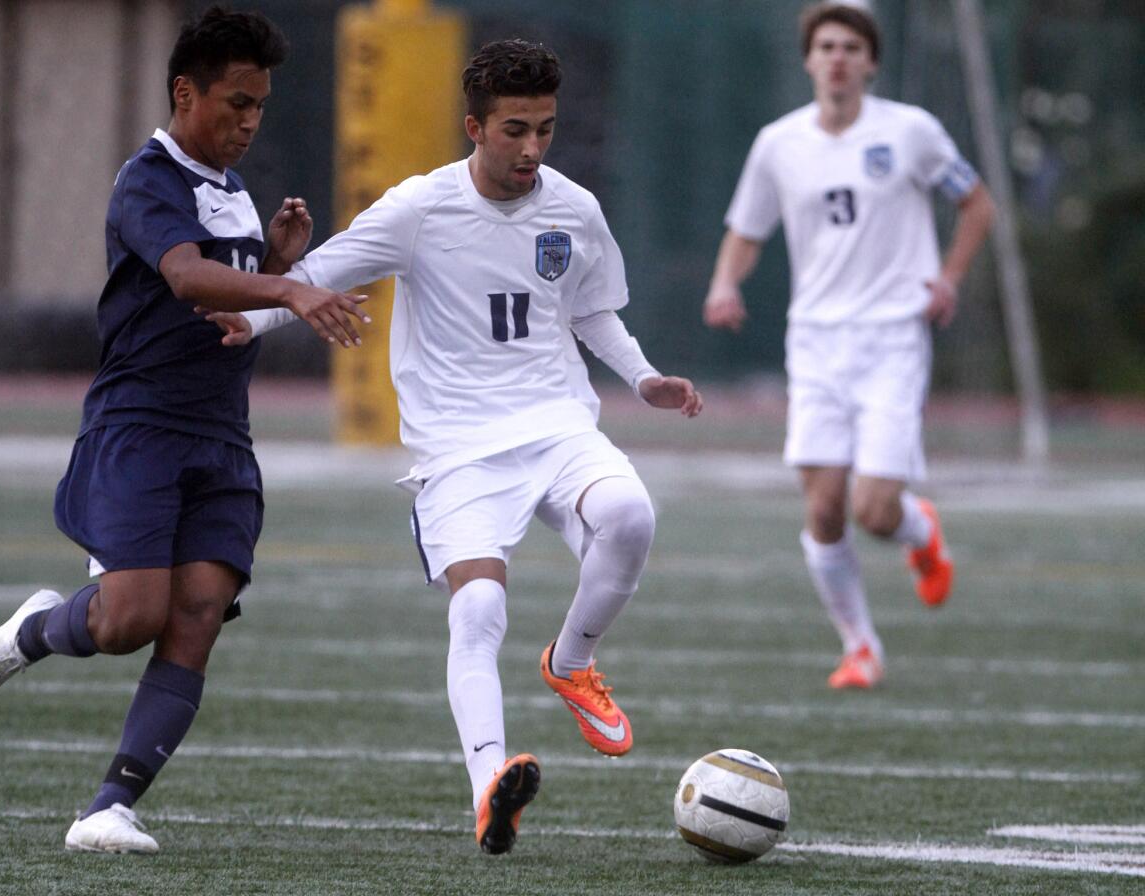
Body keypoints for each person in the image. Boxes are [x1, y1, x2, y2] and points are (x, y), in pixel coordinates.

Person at [214, 38, 702, 855]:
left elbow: (589, 311)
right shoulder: (421, 207)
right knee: (478, 608)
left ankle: (571, 661)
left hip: (555, 423)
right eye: (515, 129)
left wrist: (643, 376)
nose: (533, 149)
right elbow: (327, 268)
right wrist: (252, 315)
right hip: (459, 448)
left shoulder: (573, 208)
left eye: (545, 129)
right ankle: (489, 790)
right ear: (474, 126)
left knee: (630, 516)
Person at [0, 5, 367, 854]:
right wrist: (291, 290)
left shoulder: (232, 190)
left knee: (199, 611)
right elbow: (187, 280)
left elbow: (225, 309)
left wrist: (279, 262)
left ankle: (108, 806)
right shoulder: (148, 178)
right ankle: (37, 628)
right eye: (235, 103)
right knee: (126, 621)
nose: (249, 122)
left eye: (259, 106)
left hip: (222, 438)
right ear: (185, 93)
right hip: (139, 428)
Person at [702, 2, 994, 690]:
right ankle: (860, 646)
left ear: (870, 62)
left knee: (874, 510)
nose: (837, 57)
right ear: (809, 60)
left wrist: (947, 279)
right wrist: (724, 285)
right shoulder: (779, 143)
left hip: (893, 338)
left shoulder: (911, 132)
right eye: (826, 45)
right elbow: (747, 228)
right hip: (815, 343)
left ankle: (920, 531)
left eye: (850, 47)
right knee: (825, 509)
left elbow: (976, 204)